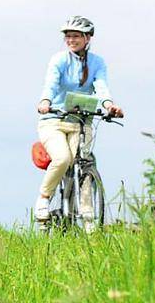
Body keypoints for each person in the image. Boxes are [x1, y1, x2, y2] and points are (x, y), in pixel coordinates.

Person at [34, 16, 124, 224]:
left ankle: (88, 215)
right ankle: (44, 197)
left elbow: (101, 86)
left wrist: (109, 106)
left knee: (84, 163)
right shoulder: (59, 60)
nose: (71, 40)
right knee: (63, 158)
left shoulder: (97, 62)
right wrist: (45, 101)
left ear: (87, 38)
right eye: (68, 36)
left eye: (75, 36)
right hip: (54, 120)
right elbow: (51, 83)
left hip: (81, 121)